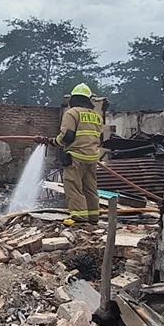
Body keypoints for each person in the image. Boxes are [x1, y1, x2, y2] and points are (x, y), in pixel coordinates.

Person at [51, 83, 105, 226]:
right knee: (90, 188)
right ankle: (93, 217)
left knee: (73, 186)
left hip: (76, 156)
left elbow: (67, 136)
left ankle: (79, 217)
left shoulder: (72, 113)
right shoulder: (96, 116)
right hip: (92, 157)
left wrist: (55, 142)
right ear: (88, 99)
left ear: (73, 99)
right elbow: (99, 137)